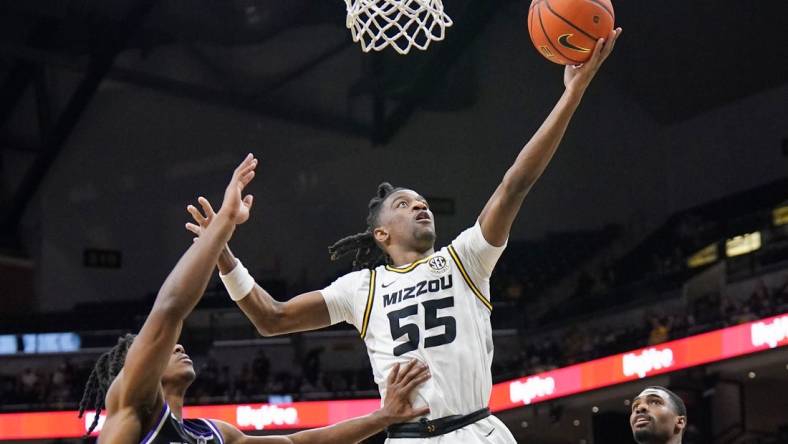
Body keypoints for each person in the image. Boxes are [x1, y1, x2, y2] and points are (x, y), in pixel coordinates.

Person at [186, 29, 622, 442]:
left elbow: (515, 183)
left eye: (422, 202)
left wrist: (572, 94)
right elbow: (272, 318)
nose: (420, 206)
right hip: (408, 436)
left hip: (476, 431)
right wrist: (221, 252)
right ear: (380, 233)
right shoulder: (361, 288)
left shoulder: (465, 259)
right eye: (404, 204)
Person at [78, 155, 431, 443]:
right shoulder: (131, 412)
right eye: (155, 348)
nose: (177, 347)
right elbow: (169, 310)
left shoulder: (212, 435)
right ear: (134, 368)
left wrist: (383, 417)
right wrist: (223, 226)